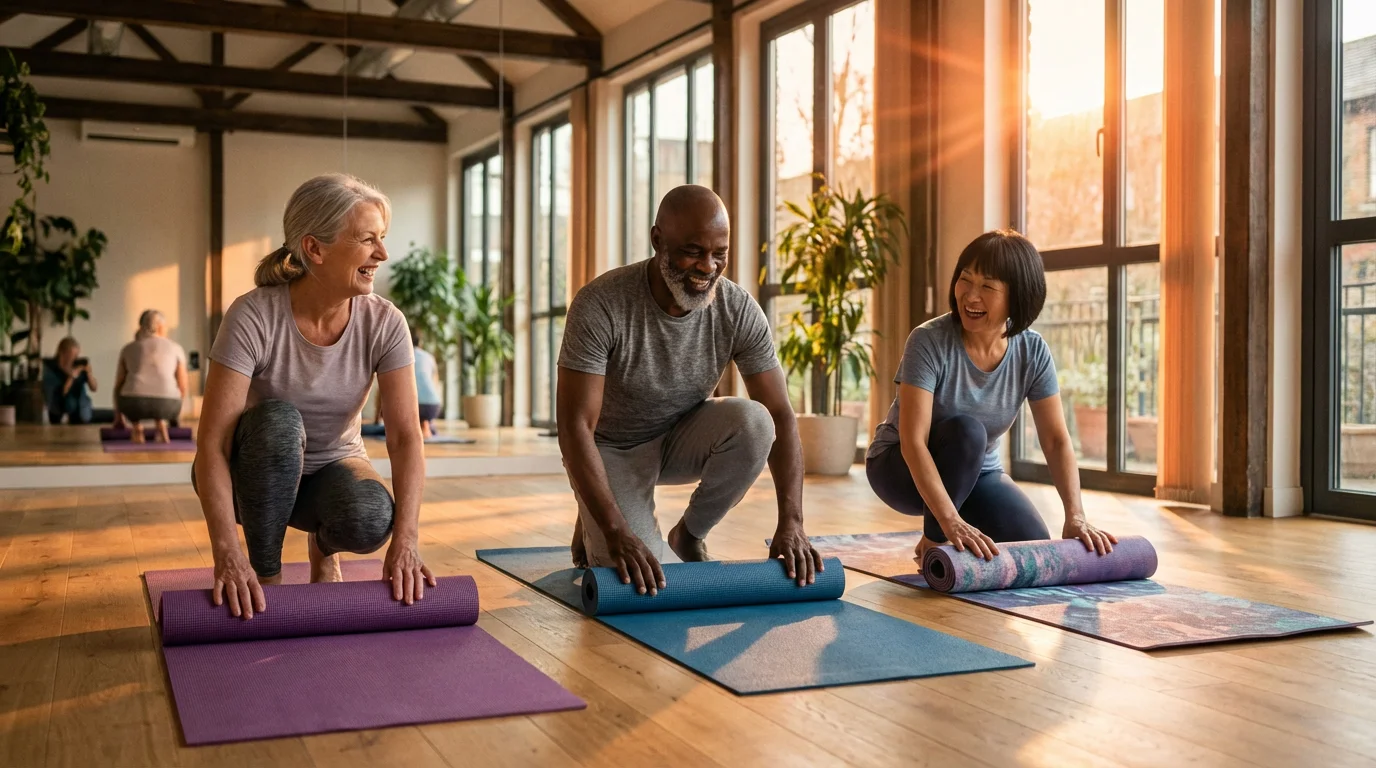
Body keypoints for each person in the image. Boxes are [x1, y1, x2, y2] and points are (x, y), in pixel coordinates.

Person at [558, 184, 822, 596]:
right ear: (657, 240)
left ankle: (689, 534)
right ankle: (600, 505)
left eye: (720, 253)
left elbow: (782, 414)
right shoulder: (601, 303)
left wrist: (792, 523)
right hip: (612, 448)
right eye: (693, 251)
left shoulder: (737, 308)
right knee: (633, 579)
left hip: (681, 435)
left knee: (757, 422)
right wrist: (615, 531)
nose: (708, 267)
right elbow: (575, 427)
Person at [193, 173, 433, 621]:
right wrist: (227, 553)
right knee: (279, 424)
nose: (382, 254)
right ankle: (265, 574)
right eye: (366, 240)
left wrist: (406, 541)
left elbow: (404, 438)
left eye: (382, 239)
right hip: (255, 476)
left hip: (330, 470)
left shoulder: (385, 322)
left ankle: (324, 549)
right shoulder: (253, 315)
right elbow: (212, 445)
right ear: (314, 249)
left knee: (370, 517)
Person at [866, 230, 1117, 564]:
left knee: (1033, 547)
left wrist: (1076, 515)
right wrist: (946, 523)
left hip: (978, 475)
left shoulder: (1032, 350)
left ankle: (946, 524)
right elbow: (913, 441)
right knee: (968, 431)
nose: (970, 295)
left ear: (1017, 296)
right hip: (899, 469)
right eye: (965, 280)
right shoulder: (928, 341)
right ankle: (932, 544)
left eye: (987, 287)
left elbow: (1056, 440)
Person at [114, 310, 188, 443]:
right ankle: (161, 424)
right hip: (168, 405)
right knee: (160, 396)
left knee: (132, 392)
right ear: (160, 326)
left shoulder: (128, 348)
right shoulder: (176, 348)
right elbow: (182, 386)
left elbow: (118, 384)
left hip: (133, 405)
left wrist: (118, 416)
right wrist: (176, 414)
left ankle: (137, 427)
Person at [43, 337, 97, 424]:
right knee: (70, 402)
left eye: (77, 355)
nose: (75, 358)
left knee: (110, 415)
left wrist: (89, 374)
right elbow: (60, 394)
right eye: (72, 355)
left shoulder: (78, 365)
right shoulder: (51, 370)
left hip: (82, 409)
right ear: (62, 353)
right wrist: (72, 377)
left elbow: (94, 388)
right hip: (60, 409)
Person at [411, 329, 442, 436]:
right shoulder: (429, 357)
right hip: (433, 405)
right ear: (420, 344)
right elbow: (435, 383)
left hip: (414, 406)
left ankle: (423, 425)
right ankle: (426, 423)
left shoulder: (403, 355)